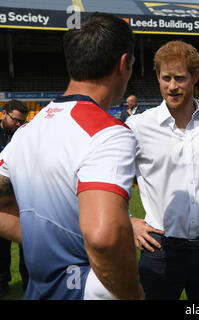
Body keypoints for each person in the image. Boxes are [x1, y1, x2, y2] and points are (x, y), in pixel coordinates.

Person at [0, 12, 144, 300]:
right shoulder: (108, 132)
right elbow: (105, 238)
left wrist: (46, 246)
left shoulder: (27, 131)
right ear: (123, 64)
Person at [126, 40, 199, 300]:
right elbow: (109, 179)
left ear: (195, 77)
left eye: (180, 78)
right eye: (166, 78)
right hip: (159, 248)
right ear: (157, 77)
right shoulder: (138, 126)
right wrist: (129, 221)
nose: (172, 86)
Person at [0, 99, 29, 299]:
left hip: (24, 196)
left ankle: (30, 283)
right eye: (15, 120)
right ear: (3, 114)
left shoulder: (25, 137)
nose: (18, 124)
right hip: (2, 199)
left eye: (22, 121)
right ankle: (2, 283)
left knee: (27, 243)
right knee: (1, 246)